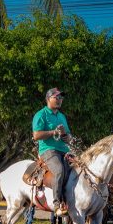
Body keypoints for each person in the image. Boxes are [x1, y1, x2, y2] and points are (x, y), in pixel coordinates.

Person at [32, 87, 71, 217]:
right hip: (48, 151)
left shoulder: (62, 116)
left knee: (80, 169)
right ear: (49, 99)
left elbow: (69, 136)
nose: (60, 100)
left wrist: (66, 136)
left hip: (64, 150)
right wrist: (53, 132)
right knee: (59, 170)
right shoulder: (41, 114)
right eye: (57, 97)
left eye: (61, 98)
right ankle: (56, 204)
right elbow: (36, 135)